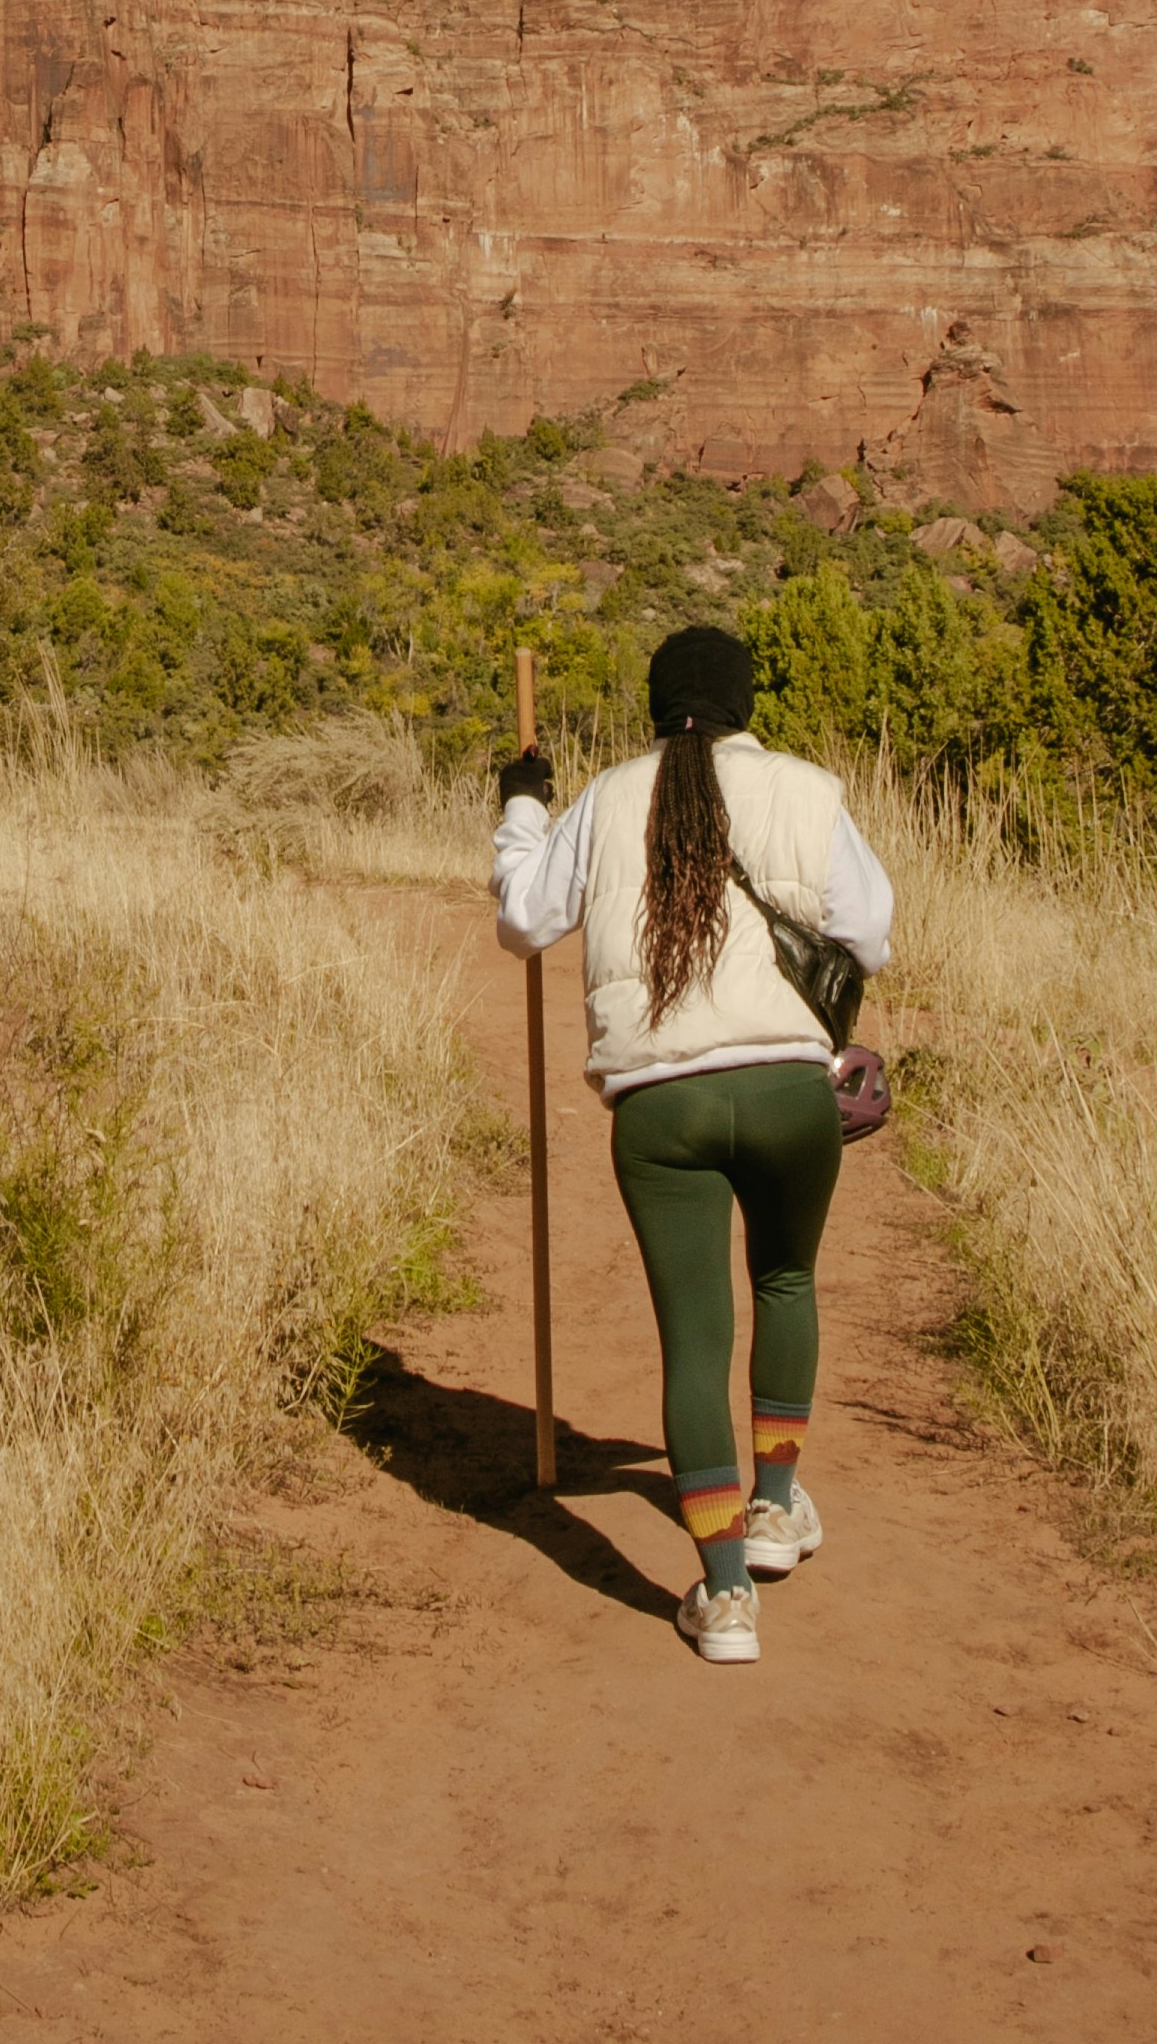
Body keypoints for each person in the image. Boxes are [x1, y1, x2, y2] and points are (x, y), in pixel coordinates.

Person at [492, 619, 893, 1668]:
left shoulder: (610, 797)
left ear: (653, 708)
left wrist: (524, 804)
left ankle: (721, 1599)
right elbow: (873, 933)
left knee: (695, 1340)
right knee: (787, 1284)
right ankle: (772, 1508)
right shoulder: (807, 790)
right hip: (785, 1093)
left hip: (660, 1107)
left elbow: (526, 921)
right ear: (747, 706)